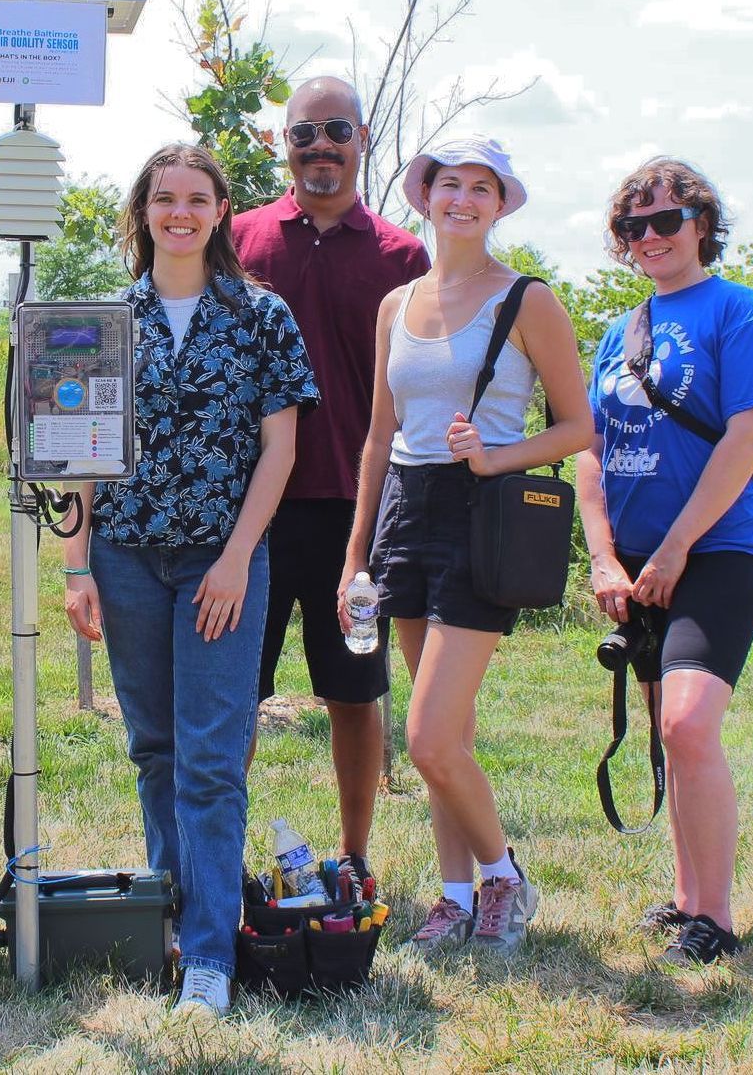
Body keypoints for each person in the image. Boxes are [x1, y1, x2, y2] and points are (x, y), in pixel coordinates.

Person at [62, 143, 318, 1016]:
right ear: (142, 212)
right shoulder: (100, 322)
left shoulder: (261, 316)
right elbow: (75, 456)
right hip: (125, 558)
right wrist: (75, 568)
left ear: (220, 212)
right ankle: (172, 923)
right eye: (163, 197)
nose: (180, 211)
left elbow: (280, 448)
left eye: (196, 198)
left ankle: (210, 956)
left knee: (210, 760)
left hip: (223, 562)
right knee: (155, 750)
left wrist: (239, 558)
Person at [338, 136, 590, 954]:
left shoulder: (528, 301)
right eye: (451, 185)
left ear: (501, 204)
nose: (464, 201)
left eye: (483, 189)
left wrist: (496, 454)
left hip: (485, 516)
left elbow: (579, 426)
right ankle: (453, 899)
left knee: (430, 736)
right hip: (406, 513)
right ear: (426, 196)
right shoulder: (394, 305)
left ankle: (506, 879)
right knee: (446, 735)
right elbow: (379, 438)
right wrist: (356, 556)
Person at [577, 159, 753, 966]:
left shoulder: (737, 308)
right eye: (635, 226)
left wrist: (675, 548)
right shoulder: (615, 331)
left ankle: (719, 918)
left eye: (668, 220)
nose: (652, 237)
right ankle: (686, 899)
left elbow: (750, 432)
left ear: (701, 224)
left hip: (717, 548)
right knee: (670, 730)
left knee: (689, 723)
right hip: (634, 563)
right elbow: (589, 450)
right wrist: (603, 556)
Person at [233, 75, 430, 893]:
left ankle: (355, 854)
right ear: (284, 143)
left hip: (359, 515)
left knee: (354, 688)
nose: (320, 147)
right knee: (234, 691)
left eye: (336, 131)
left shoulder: (401, 255)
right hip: (246, 512)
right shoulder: (236, 239)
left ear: (362, 141)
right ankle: (218, 855)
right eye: (304, 133)